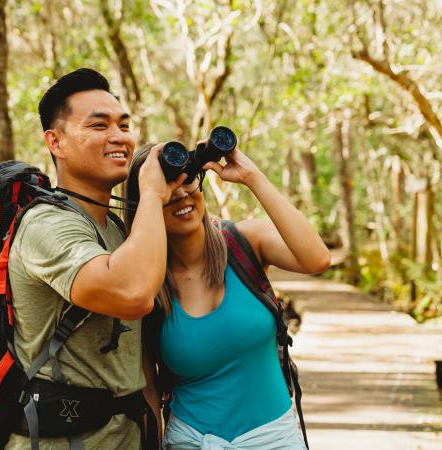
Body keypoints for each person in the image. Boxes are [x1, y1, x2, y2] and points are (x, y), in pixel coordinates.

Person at [5, 69, 185, 450]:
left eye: (124, 124)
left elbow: (136, 366)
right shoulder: (45, 224)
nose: (120, 137)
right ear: (56, 142)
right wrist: (151, 195)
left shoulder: (119, 230)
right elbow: (134, 295)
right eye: (99, 126)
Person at [124, 142, 331, 449]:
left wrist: (253, 177)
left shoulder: (245, 242)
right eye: (167, 186)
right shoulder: (146, 286)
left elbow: (317, 259)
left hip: (274, 439)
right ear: (145, 203)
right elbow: (148, 390)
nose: (181, 192)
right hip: (192, 441)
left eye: (188, 179)